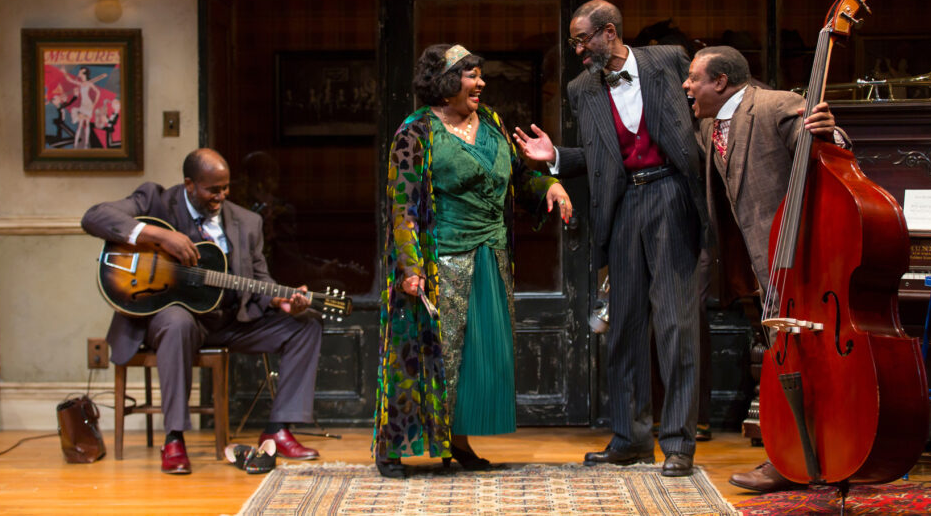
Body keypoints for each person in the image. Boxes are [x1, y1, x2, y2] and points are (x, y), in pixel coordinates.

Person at [514, 0, 707, 478]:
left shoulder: (668, 59)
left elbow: (705, 111)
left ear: (608, 32)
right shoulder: (583, 89)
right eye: (575, 42)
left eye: (583, 40)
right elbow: (601, 156)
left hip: (671, 194)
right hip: (622, 208)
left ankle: (679, 443)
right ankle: (630, 439)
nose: (577, 49)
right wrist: (555, 154)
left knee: (675, 322)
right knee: (622, 326)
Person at [373, 43, 573, 479]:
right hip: (440, 260)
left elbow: (520, 177)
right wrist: (410, 267)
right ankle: (393, 447)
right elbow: (403, 205)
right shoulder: (416, 130)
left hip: (490, 257)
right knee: (428, 356)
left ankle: (460, 440)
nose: (481, 82)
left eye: (480, 75)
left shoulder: (494, 123)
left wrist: (550, 187)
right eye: (470, 75)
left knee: (478, 357)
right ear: (445, 83)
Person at [81, 148, 323, 475]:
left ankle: (277, 430)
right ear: (190, 184)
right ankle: (175, 438)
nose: (221, 196)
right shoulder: (156, 200)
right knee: (177, 321)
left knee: (305, 325)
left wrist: (281, 301)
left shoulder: (247, 222)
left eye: (225, 188)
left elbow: (259, 279)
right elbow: (94, 216)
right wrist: (160, 236)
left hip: (231, 319)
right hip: (178, 320)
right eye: (213, 189)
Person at [680, 45, 846, 493]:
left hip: (800, 260)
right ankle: (792, 457)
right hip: (757, 266)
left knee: (808, 362)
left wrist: (831, 134)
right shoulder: (707, 124)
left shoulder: (778, 104)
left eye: (693, 78)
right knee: (780, 363)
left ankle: (816, 454)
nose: (686, 85)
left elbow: (832, 156)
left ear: (720, 81)